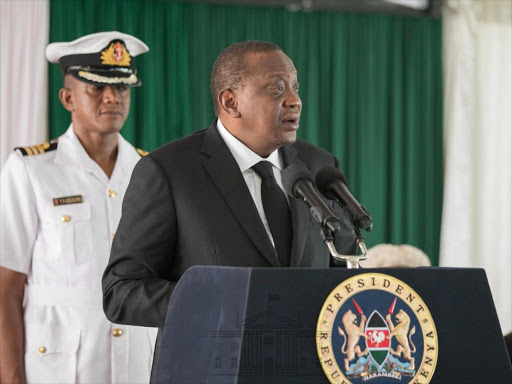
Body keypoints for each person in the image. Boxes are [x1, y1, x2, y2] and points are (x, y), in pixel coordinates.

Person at [102, 40, 357, 364]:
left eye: (295, 87)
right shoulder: (170, 171)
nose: (295, 101)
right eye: (277, 89)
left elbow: (344, 268)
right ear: (230, 101)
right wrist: (217, 302)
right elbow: (120, 292)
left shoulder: (319, 165)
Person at [0, 31, 157, 383]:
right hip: (59, 369)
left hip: (137, 366)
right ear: (68, 97)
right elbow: (5, 289)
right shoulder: (30, 170)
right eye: (96, 88)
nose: (111, 97)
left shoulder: (150, 171)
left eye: (121, 88)